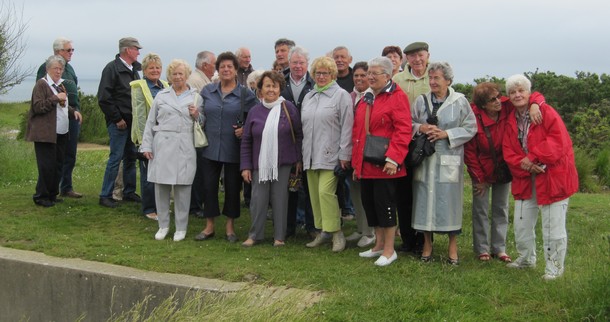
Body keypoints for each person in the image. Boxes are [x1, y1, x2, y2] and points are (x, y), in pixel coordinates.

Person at [502, 74, 578, 280]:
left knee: (553, 226)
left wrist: (533, 158)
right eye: (512, 92)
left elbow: (558, 141)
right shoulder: (509, 117)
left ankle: (554, 268)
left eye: (521, 90)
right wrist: (524, 164)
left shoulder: (545, 111)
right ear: (508, 96)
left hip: (553, 175)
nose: (517, 95)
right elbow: (508, 150)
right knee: (521, 222)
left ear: (529, 92)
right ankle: (526, 259)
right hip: (525, 177)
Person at [464, 82, 544, 262]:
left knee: (501, 208)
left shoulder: (506, 106)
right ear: (483, 104)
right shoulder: (473, 118)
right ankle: (482, 249)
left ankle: (499, 248)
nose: (498, 101)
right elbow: (470, 153)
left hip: (504, 168)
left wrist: (534, 105)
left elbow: (532, 96)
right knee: (481, 210)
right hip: (482, 169)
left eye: (499, 96)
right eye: (493, 99)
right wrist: (478, 178)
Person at [411, 62, 477, 265]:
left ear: (448, 80)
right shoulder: (421, 101)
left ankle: (453, 248)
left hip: (449, 158)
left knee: (449, 203)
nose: (432, 82)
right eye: (430, 78)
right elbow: (409, 123)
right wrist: (422, 128)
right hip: (426, 160)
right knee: (424, 201)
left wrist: (446, 134)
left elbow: (471, 127)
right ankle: (427, 245)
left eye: (436, 78)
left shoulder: (460, 102)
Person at [351, 57, 411, 266]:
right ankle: (378, 246)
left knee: (385, 207)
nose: (370, 77)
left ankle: (389, 249)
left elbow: (403, 129)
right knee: (371, 205)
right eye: (369, 73)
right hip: (366, 163)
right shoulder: (367, 97)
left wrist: (394, 159)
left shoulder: (397, 96)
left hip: (385, 164)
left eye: (374, 74)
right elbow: (358, 132)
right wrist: (356, 164)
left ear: (387, 76)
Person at [194, 52, 257, 243]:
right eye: (222, 67)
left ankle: (230, 227)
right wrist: (196, 115)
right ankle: (209, 226)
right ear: (217, 70)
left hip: (233, 149)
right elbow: (202, 117)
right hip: (210, 148)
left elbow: (255, 118)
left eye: (230, 66)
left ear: (236, 70)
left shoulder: (246, 94)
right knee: (209, 187)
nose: (226, 70)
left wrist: (245, 129)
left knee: (232, 188)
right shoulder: (207, 91)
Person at [140, 59, 202, 241]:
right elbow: (151, 122)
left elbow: (203, 122)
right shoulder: (161, 95)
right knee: (161, 186)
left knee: (183, 186)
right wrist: (146, 145)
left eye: (180, 73)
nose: (177, 77)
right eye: (174, 73)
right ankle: (163, 225)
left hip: (185, 143)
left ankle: (181, 227)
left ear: (187, 75)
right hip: (163, 144)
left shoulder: (196, 96)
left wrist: (197, 115)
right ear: (170, 76)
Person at [240, 71, 303, 247]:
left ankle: (279, 237)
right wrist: (245, 166)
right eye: (267, 85)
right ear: (260, 89)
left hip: (283, 163)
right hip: (259, 164)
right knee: (258, 199)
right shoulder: (254, 111)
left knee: (280, 199)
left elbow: (298, 135)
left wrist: (298, 159)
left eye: (274, 86)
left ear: (279, 88)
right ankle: (254, 235)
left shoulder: (288, 108)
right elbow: (246, 141)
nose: (271, 89)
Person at [301, 56, 353, 252]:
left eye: (325, 73)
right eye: (317, 73)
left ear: (333, 75)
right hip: (310, 154)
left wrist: (345, 154)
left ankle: (337, 232)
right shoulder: (309, 96)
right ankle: (323, 230)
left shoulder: (341, 96)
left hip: (332, 155)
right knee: (314, 195)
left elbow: (347, 126)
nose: (321, 76)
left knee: (325, 192)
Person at [26, 55, 83, 207]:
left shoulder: (60, 86)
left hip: (62, 132)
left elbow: (62, 106)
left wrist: (73, 112)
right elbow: (38, 107)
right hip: (46, 133)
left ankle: (52, 194)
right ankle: (41, 196)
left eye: (60, 69)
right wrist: (55, 98)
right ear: (47, 69)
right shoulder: (42, 85)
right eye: (55, 68)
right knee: (46, 165)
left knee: (58, 164)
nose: (58, 71)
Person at [392, 41, 431, 254]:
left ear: (428, 55)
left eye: (420, 55)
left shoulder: (434, 76)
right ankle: (407, 238)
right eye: (412, 56)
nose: (417, 60)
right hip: (404, 142)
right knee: (404, 193)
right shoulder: (397, 80)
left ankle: (425, 239)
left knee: (425, 192)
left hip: (428, 144)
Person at [97, 37, 143, 208]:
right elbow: (104, 97)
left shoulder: (134, 70)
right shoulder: (112, 69)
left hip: (132, 122)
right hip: (119, 122)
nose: (138, 52)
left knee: (131, 157)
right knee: (115, 158)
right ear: (127, 50)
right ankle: (105, 195)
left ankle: (128, 191)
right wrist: (117, 118)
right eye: (136, 49)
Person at [281, 46, 316, 238]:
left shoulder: (314, 83)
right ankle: (289, 226)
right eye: (294, 62)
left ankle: (311, 226)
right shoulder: (281, 82)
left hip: (309, 138)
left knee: (308, 185)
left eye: (301, 62)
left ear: (307, 64)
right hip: (286, 139)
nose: (298, 66)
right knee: (289, 184)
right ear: (289, 64)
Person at [130, 53, 169, 221]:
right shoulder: (139, 87)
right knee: (148, 174)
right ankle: (149, 208)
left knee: (162, 173)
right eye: (151, 68)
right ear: (144, 70)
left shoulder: (166, 86)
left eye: (158, 67)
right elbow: (138, 115)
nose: (155, 70)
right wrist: (141, 142)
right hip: (148, 137)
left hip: (165, 137)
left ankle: (161, 205)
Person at [345, 61, 376, 248]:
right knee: (355, 192)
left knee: (367, 194)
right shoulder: (350, 96)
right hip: (351, 149)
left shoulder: (372, 97)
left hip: (367, 151)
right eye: (356, 76)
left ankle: (370, 231)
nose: (358, 79)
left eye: (362, 75)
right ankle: (359, 227)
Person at [187, 50, 216, 218]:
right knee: (197, 172)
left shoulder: (202, 79)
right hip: (197, 132)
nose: (216, 68)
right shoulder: (196, 81)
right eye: (214, 64)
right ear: (205, 65)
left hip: (201, 130)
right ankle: (195, 205)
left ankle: (198, 203)